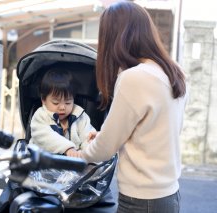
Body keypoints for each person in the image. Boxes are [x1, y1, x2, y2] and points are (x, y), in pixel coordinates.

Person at [79, 1, 189, 213]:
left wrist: (80, 152)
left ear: (114, 37)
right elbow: (154, 131)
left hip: (142, 200)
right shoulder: (174, 72)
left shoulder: (134, 78)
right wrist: (105, 136)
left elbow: (105, 148)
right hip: (168, 195)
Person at [29, 68, 96, 157]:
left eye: (68, 102)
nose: (62, 107)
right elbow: (44, 136)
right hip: (43, 163)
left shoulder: (80, 116)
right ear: (43, 100)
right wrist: (67, 148)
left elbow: (88, 138)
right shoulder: (40, 116)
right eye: (55, 103)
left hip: (73, 166)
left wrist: (87, 153)